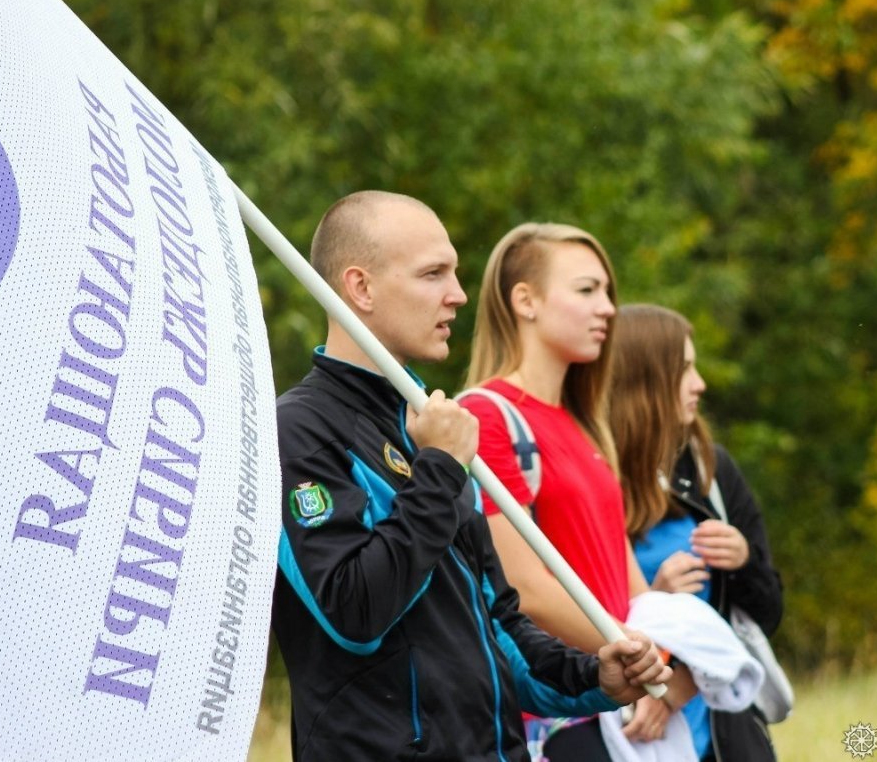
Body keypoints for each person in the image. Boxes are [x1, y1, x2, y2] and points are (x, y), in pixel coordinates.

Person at [271, 192, 670, 762]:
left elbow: (499, 624)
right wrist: (437, 471)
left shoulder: (433, 426)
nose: (458, 295)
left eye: (455, 273)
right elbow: (354, 612)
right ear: (360, 288)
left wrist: (594, 676)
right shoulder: (299, 429)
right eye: (433, 274)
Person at [458, 223, 696, 762]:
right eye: (588, 290)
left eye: (608, 291)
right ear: (526, 301)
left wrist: (662, 657)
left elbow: (625, 576)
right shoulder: (487, 415)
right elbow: (524, 587)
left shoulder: (586, 425)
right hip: (560, 714)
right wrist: (642, 662)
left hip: (619, 699)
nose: (609, 308)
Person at [608, 303, 784, 762]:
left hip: (727, 737)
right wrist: (654, 600)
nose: (700, 383)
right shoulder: (593, 478)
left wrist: (744, 561)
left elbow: (767, 613)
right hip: (633, 735)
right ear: (642, 379)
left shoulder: (712, 470)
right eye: (684, 368)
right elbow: (564, 618)